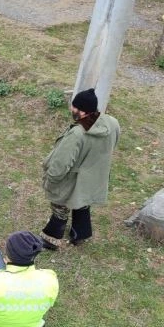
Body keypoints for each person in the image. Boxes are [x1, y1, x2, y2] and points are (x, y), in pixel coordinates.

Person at [40, 88, 120, 250]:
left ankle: (51, 239)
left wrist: (51, 179)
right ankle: (80, 234)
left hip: (73, 179)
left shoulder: (77, 134)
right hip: (95, 177)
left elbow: (61, 164)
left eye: (74, 107)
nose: (71, 109)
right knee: (83, 203)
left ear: (81, 111)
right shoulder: (112, 122)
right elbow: (113, 144)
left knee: (60, 207)